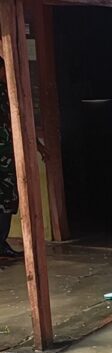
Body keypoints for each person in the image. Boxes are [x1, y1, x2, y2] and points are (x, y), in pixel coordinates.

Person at [0, 58, 22, 259]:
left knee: (7, 202)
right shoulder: (2, 92)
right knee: (7, 201)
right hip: (3, 160)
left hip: (6, 156)